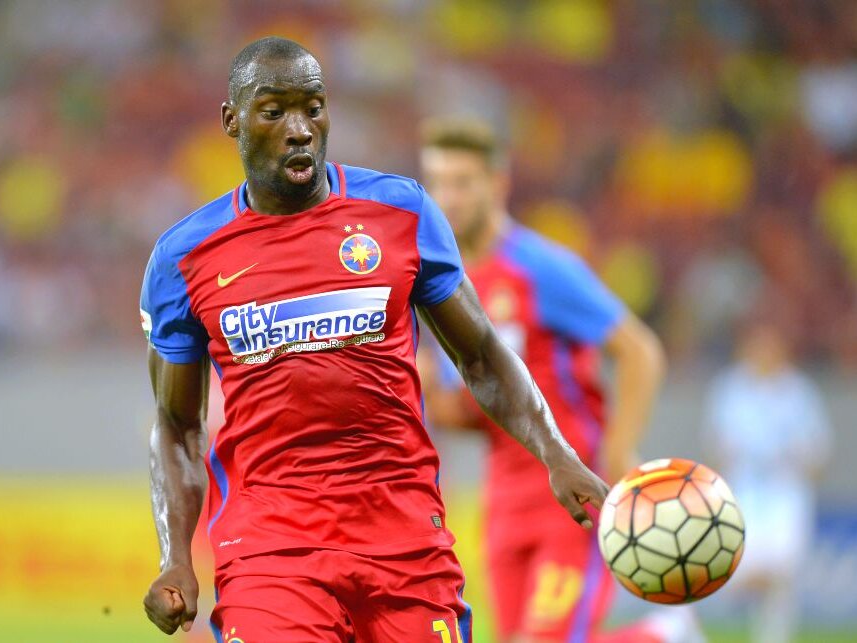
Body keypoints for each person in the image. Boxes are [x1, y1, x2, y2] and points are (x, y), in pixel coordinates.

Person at [138, 37, 608, 642]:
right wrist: (175, 555)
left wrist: (556, 452)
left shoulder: (400, 213)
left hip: (405, 540)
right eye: (273, 111)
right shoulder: (184, 257)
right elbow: (177, 424)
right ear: (232, 121)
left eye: (313, 108)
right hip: (271, 549)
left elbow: (482, 357)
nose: (300, 129)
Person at [418, 119, 698, 643]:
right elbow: (475, 415)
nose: (448, 197)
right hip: (503, 502)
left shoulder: (540, 267)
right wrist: (432, 391)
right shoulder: (445, 288)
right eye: (438, 183)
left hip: (572, 493)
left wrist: (618, 449)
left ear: (498, 183)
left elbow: (640, 351)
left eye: (463, 182)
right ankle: (661, 635)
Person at [705, 317, 832, 643]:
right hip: (744, 491)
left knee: (782, 571)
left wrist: (796, 465)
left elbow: (818, 451)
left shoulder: (799, 393)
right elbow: (718, 446)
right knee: (743, 573)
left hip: (786, 494)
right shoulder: (731, 389)